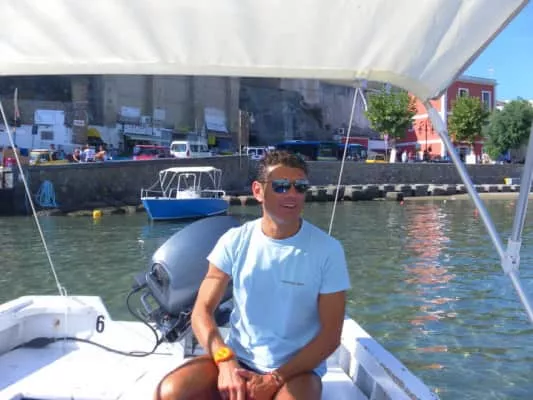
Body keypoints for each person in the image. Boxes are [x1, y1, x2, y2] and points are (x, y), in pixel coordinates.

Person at [155, 150, 351, 400]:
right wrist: (225, 361)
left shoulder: (328, 250)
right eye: (281, 186)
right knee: (170, 392)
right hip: (238, 360)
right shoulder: (234, 241)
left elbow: (331, 336)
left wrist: (274, 379)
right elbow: (201, 311)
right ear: (258, 191)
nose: (292, 194)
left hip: (296, 371)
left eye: (300, 186)